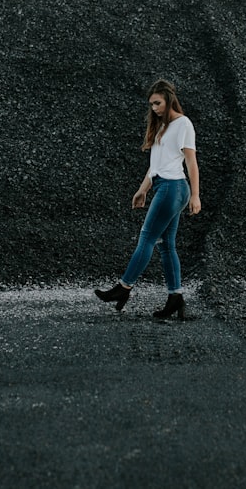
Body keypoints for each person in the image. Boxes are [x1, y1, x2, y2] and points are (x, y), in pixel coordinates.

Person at [94, 79, 201, 319]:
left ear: (169, 100)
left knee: (147, 238)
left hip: (174, 188)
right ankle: (176, 298)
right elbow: (155, 167)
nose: (154, 108)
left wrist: (195, 195)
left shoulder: (183, 123)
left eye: (157, 103)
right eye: (151, 104)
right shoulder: (162, 128)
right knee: (166, 245)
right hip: (165, 186)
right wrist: (142, 190)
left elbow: (191, 162)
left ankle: (124, 287)